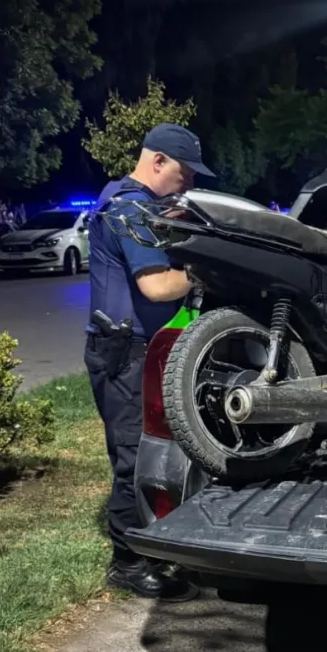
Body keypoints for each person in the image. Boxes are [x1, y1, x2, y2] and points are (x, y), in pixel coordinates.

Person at [85, 123, 215, 602]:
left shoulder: (132, 199)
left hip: (140, 347)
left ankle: (154, 542)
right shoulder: (129, 209)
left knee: (156, 448)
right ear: (157, 161)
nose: (191, 183)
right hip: (123, 352)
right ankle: (127, 563)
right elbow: (157, 287)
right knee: (132, 456)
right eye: (185, 174)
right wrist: (206, 267)